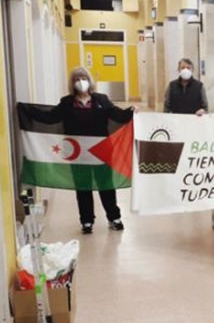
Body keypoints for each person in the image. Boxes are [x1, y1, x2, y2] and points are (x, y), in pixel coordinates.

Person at [28, 67, 135, 234]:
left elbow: (118, 116)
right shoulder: (67, 103)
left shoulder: (102, 100)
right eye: (77, 78)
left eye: (83, 77)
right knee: (83, 187)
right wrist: (27, 110)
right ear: (72, 83)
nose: (81, 81)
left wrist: (131, 111)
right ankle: (86, 220)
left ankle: (114, 217)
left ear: (90, 80)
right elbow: (50, 117)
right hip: (78, 153)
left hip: (101, 151)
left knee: (106, 185)